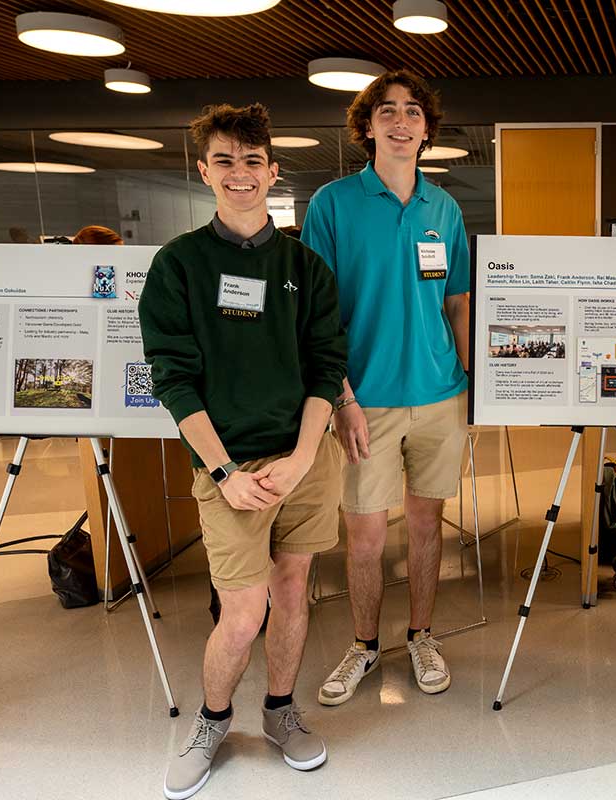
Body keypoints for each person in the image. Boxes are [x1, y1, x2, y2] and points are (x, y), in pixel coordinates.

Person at [139, 103, 347, 799]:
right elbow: (173, 378)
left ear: (273, 171)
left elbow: (326, 366)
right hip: (228, 466)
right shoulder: (179, 266)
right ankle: (211, 721)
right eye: (225, 160)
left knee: (292, 591)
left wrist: (302, 454)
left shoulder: (304, 266)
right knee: (242, 609)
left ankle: (282, 713)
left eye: (252, 161)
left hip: (304, 459)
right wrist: (223, 470)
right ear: (203, 171)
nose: (239, 173)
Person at [302, 70, 470, 705]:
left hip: (438, 395)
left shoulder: (444, 210)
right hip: (363, 400)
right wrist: (341, 400)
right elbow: (316, 316)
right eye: (388, 112)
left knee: (428, 525)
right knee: (367, 536)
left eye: (414, 113)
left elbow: (456, 302)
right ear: (366, 126)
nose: (402, 122)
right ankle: (366, 645)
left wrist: (468, 387)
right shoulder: (333, 205)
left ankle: (422, 634)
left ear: (427, 130)